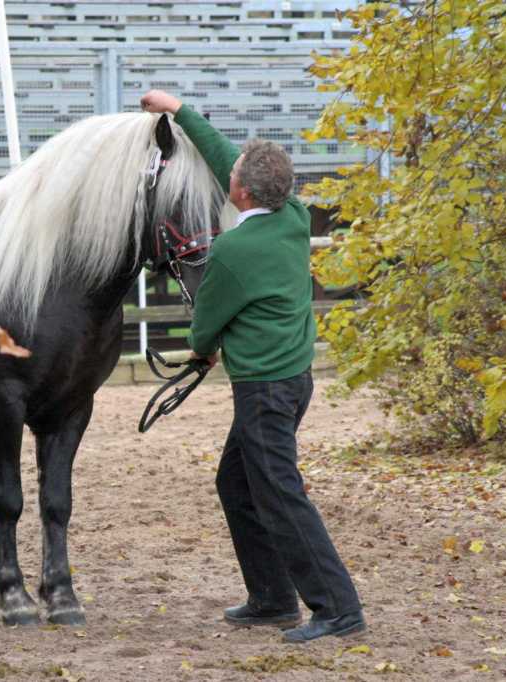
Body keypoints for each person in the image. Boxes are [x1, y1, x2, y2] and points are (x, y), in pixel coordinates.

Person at [139, 89, 365, 643]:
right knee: (237, 483)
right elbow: (225, 156)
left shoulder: (233, 252)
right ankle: (272, 600)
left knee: (279, 494)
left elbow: (204, 326)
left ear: (239, 191)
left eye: (235, 173)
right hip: (292, 382)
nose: (229, 171)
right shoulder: (292, 216)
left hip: (263, 391)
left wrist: (202, 349)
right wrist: (179, 110)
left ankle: (338, 609)